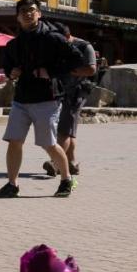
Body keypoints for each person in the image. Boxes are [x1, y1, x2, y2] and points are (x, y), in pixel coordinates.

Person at [0, 0, 86, 198]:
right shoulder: (14, 44)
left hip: (47, 99)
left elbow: (77, 60)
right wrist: (12, 72)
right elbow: (7, 67)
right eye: (23, 11)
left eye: (32, 10)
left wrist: (50, 71)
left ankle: (67, 179)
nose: (28, 13)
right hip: (21, 100)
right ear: (17, 17)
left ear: (39, 13)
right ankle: (12, 184)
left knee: (49, 144)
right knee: (14, 141)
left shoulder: (53, 38)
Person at [43, 26, 97, 177]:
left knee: (65, 129)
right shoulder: (57, 46)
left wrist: (69, 71)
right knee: (69, 129)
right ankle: (72, 163)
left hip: (76, 93)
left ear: (68, 37)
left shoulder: (84, 46)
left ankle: (55, 163)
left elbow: (92, 69)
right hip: (59, 91)